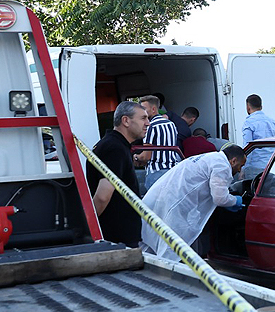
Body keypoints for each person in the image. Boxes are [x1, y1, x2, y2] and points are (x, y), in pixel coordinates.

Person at [140, 145, 247, 261]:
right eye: (240, 166)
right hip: (176, 204)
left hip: (160, 197)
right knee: (171, 246)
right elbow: (220, 198)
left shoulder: (210, 157)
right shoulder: (222, 166)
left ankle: (143, 272)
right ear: (233, 161)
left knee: (151, 240)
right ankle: (166, 275)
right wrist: (235, 200)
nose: (240, 170)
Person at [86, 101, 150, 248]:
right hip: (117, 238)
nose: (147, 123)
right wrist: (90, 227)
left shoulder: (113, 144)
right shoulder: (115, 148)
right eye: (143, 118)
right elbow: (103, 196)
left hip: (117, 235)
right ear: (126, 121)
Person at [139, 95, 179, 189]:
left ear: (153, 109)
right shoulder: (171, 124)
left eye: (144, 109)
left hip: (156, 173)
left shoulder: (151, 126)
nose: (142, 112)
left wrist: (136, 158)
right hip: (173, 171)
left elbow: (146, 156)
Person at [241, 93, 275, 179]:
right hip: (272, 165)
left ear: (248, 107)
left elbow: (248, 147)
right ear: (261, 106)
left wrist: (243, 168)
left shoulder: (249, 123)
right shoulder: (273, 122)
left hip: (255, 167)